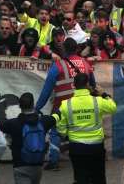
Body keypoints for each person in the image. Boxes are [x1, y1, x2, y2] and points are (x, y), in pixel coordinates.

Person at [35, 38, 94, 172]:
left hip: (61, 107)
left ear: (63, 49)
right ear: (77, 49)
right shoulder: (85, 63)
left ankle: (54, 162)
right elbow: (93, 84)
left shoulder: (58, 66)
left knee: (55, 133)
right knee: (82, 131)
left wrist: (37, 108)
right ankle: (88, 157)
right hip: (82, 105)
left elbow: (47, 90)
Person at [56, 73, 117, 184]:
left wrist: (67, 136)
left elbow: (60, 125)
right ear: (88, 84)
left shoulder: (66, 104)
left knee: (81, 178)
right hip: (96, 147)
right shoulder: (97, 101)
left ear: (73, 85)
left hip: (76, 147)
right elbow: (113, 107)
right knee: (99, 178)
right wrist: (104, 94)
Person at [0, 93, 57, 184]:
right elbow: (55, 117)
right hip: (38, 165)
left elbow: (0, 123)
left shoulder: (13, 124)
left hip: (21, 166)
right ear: (33, 104)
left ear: (20, 105)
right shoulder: (44, 121)